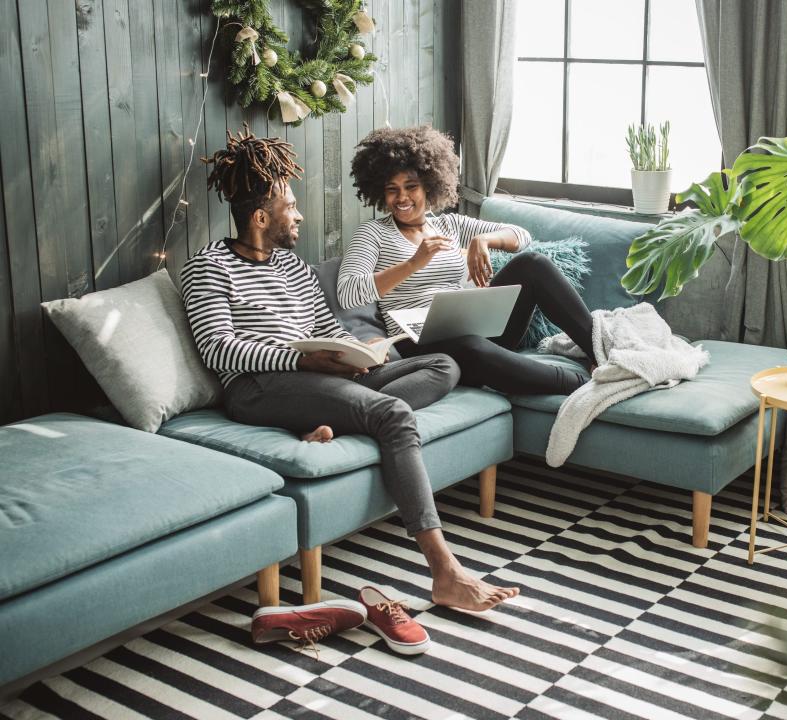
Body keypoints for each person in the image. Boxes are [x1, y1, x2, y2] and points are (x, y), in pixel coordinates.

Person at [180, 126, 519, 613]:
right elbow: (219, 349)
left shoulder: (293, 268)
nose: (298, 215)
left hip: (321, 374)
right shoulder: (209, 266)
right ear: (259, 217)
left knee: (443, 365)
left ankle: (339, 419)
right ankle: (446, 572)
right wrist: (300, 358)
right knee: (393, 416)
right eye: (289, 207)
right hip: (261, 386)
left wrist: (360, 349)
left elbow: (324, 325)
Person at [338, 125, 598, 396]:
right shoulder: (373, 233)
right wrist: (413, 263)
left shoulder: (450, 225)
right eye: (392, 189)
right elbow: (348, 293)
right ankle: (583, 386)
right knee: (470, 346)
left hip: (475, 330)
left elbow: (522, 236)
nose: (401, 197)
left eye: (411, 187)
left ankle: (600, 355)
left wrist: (484, 240)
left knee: (533, 264)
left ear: (429, 185)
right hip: (423, 344)